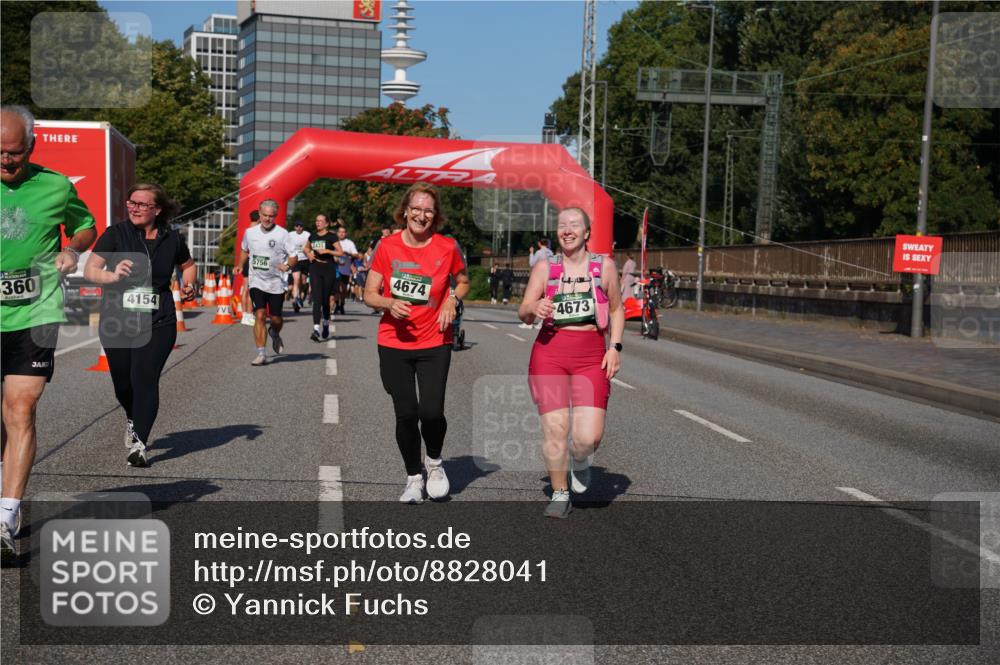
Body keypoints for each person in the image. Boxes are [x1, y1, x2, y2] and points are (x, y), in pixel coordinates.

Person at [1, 105, 97, 553]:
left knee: (21, 408)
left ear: (32, 147)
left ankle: (7, 515)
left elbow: (85, 225)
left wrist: (72, 250)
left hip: (36, 312)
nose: (5, 161)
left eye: (14, 153)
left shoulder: (56, 186)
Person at [364, 184, 469, 504]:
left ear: (434, 216)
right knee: (406, 413)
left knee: (432, 412)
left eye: (429, 210)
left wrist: (452, 299)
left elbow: (463, 281)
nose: (422, 215)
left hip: (435, 339)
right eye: (417, 209)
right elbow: (368, 294)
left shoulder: (446, 247)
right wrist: (387, 303)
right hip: (394, 341)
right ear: (405, 211)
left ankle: (434, 463)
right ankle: (413, 477)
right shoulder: (387, 246)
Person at [518, 207, 625, 518]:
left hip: (591, 356)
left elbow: (617, 309)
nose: (567, 230)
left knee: (588, 437)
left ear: (587, 233)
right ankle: (560, 492)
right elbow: (523, 310)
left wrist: (615, 347)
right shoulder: (544, 268)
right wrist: (533, 307)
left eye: (574, 225)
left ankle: (579, 460)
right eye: (562, 225)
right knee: (556, 428)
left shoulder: (604, 267)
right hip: (549, 354)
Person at [84, 184, 196, 468]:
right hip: (116, 319)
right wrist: (112, 276)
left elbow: (187, 265)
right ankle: (132, 417)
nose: (133, 207)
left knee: (144, 377)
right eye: (130, 202)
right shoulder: (116, 234)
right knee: (123, 383)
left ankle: (140, 444)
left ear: (157, 210)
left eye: (141, 204)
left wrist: (190, 284)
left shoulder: (172, 239)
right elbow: (91, 271)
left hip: (159, 320)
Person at [234, 200, 297, 366]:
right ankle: (261, 353)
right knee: (260, 314)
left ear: (275, 216)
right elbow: (244, 250)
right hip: (257, 280)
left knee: (276, 319)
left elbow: (293, 255)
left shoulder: (283, 234)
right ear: (259, 214)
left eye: (271, 216)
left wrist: (288, 265)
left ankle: (275, 333)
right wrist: (240, 265)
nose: (268, 219)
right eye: (265, 215)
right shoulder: (250, 232)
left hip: (276, 282)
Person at [303, 213, 342, 342]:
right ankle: (315, 329)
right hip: (315, 268)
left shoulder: (331, 236)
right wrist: (309, 254)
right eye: (316, 220)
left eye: (320, 221)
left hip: (328, 268)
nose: (317, 223)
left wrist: (328, 251)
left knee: (325, 300)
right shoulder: (312, 236)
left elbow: (340, 252)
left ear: (326, 223)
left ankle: (325, 323)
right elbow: (306, 248)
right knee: (316, 299)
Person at [334, 224, 360, 315]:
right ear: (337, 233)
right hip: (335, 268)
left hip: (345, 269)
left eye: (343, 232)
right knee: (337, 288)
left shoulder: (349, 243)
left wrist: (347, 253)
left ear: (346, 233)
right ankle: (337, 304)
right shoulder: (333, 241)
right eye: (340, 232)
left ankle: (342, 304)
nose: (341, 234)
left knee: (344, 289)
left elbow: (356, 255)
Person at [240, 209, 260, 325]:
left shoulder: (247, 229)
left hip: (246, 261)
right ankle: (249, 314)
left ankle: (244, 314)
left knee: (245, 288)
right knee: (251, 289)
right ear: (259, 218)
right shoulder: (255, 230)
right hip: (252, 260)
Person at [287, 221, 311, 312]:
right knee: (296, 280)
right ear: (294, 227)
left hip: (305, 260)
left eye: (301, 226)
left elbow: (311, 245)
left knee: (303, 282)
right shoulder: (290, 235)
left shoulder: (307, 235)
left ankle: (300, 295)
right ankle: (296, 299)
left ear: (303, 227)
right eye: (297, 226)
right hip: (295, 259)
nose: (299, 228)